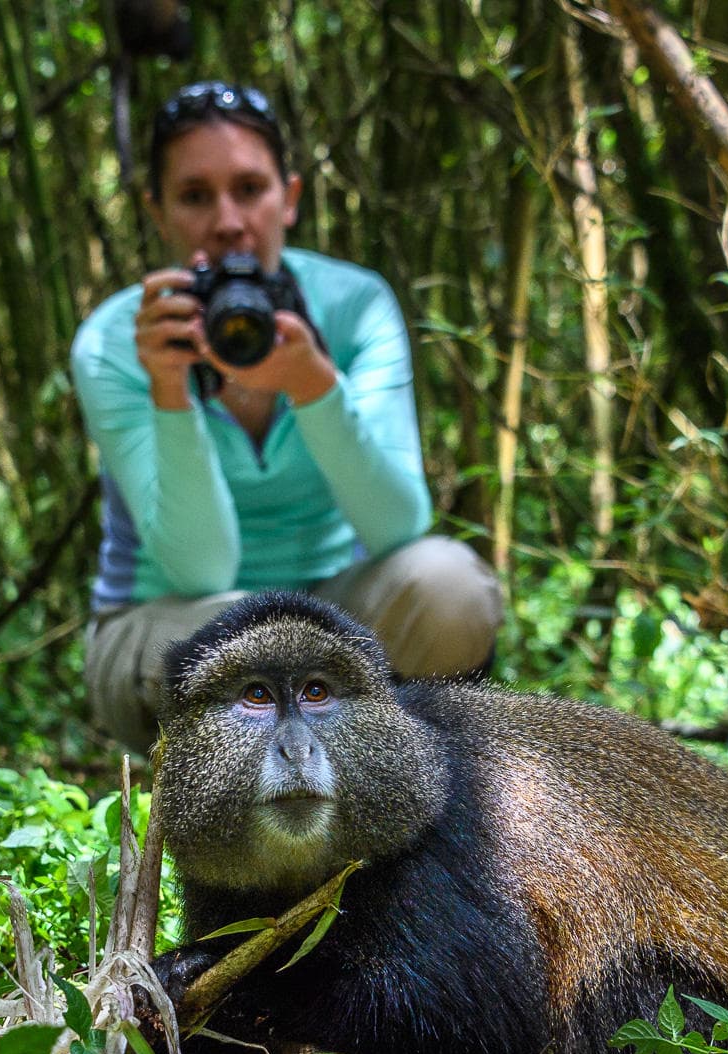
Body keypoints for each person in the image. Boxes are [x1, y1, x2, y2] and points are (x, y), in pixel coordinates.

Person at [73, 81, 503, 751]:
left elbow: (399, 525)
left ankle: (440, 795)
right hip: (167, 621)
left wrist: (313, 387)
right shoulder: (115, 342)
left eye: (250, 189)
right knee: (246, 645)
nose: (227, 222)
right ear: (157, 213)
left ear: (290, 198)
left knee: (449, 585)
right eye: (194, 196)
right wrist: (170, 388)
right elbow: (202, 571)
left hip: (337, 607)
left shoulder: (354, 307)